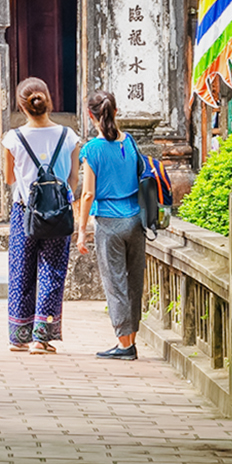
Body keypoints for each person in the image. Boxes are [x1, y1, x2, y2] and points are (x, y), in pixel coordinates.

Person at [2, 77, 79, 354]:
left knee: (21, 270)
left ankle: (19, 336)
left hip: (24, 211)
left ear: (22, 106)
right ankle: (41, 337)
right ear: (48, 100)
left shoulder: (13, 138)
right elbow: (73, 179)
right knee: (52, 271)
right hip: (58, 211)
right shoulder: (69, 136)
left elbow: (9, 178)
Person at [76, 90, 145, 361]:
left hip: (108, 221)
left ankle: (124, 344)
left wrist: (82, 231)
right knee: (134, 281)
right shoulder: (129, 142)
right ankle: (131, 340)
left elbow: (88, 194)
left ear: (90, 115)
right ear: (115, 112)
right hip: (135, 219)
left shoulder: (92, 150)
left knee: (115, 284)